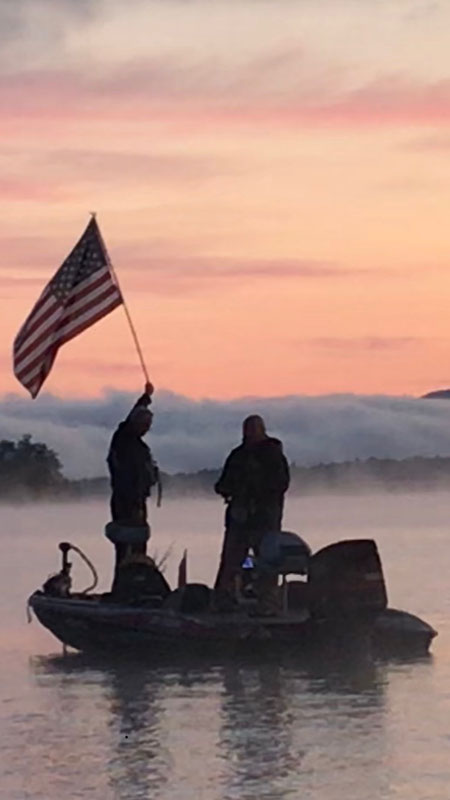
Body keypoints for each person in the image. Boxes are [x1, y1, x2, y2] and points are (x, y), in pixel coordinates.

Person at [214, 415, 290, 610]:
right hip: (239, 518)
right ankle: (223, 599)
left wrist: (255, 492)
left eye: (254, 429)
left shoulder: (273, 455)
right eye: (248, 429)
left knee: (267, 561)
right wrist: (229, 490)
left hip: (264, 518)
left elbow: (281, 484)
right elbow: (223, 483)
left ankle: (268, 601)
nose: (250, 432)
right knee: (231, 560)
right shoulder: (237, 455)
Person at [106, 382, 159, 579]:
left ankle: (136, 584)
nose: (147, 428)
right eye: (144, 424)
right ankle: (122, 585)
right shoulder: (123, 439)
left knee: (138, 548)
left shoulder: (138, 445)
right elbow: (128, 421)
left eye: (149, 425)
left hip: (139, 501)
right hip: (124, 501)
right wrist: (145, 399)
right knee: (125, 547)